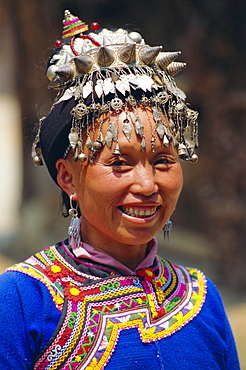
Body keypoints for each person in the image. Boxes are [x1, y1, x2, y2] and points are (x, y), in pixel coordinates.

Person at [0, 10, 240, 370]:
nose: (147, 185)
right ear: (68, 178)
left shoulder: (202, 298)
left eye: (162, 160)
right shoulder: (22, 300)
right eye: (119, 164)